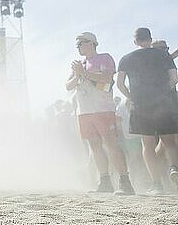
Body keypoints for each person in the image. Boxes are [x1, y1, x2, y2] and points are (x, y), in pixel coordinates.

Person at [65, 32, 135, 195]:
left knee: (111, 143)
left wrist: (83, 73)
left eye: (81, 43)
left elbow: (106, 79)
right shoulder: (79, 64)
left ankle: (125, 181)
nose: (78, 47)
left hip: (102, 108)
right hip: (84, 110)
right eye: (77, 44)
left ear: (92, 43)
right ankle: (104, 181)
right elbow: (68, 86)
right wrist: (77, 74)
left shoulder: (105, 57)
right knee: (94, 146)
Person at [117, 28, 178, 195]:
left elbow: (120, 84)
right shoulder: (164, 56)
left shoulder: (126, 58)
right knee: (169, 141)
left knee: (148, 144)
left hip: (141, 106)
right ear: (150, 39)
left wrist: (131, 96)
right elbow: (174, 78)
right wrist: (165, 91)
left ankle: (157, 184)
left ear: (135, 41)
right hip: (163, 102)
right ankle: (174, 167)